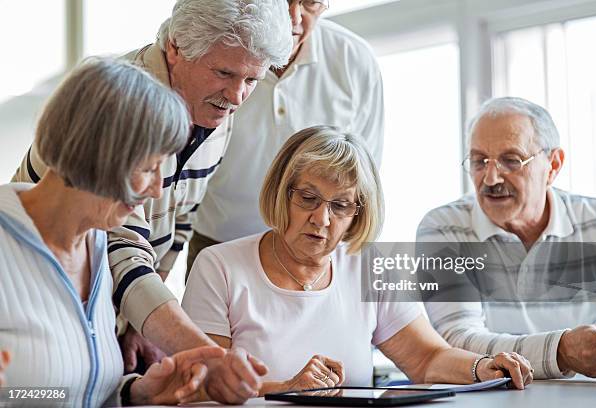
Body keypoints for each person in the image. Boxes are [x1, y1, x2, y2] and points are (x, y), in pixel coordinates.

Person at [11, 0, 292, 402]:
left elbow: (178, 223)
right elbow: (27, 393)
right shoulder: (118, 109)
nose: (236, 95)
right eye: (224, 73)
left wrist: (135, 346)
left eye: (252, 79)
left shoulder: (214, 108)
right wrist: (206, 355)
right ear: (176, 47)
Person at [182, 126, 534, 392]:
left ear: (358, 213)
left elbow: (427, 359)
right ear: (281, 192)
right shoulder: (219, 267)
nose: (321, 219)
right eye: (308, 198)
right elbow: (202, 386)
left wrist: (483, 367)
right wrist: (287, 389)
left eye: (340, 206)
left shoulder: (369, 267)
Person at [0, 58, 228, 407]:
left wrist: (134, 394)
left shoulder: (95, 244)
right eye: (150, 168)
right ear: (101, 155)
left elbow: (75, 391)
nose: (156, 190)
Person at [417, 97, 596, 379]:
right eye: (479, 161)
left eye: (511, 160)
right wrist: (561, 350)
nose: (491, 178)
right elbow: (457, 340)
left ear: (553, 165)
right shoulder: (443, 228)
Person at [187, 0, 384, 274]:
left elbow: (364, 179)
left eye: (310, 3)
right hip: (220, 243)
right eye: (282, 1)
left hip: (319, 250)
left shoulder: (354, 60)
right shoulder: (221, 51)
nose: (294, 17)